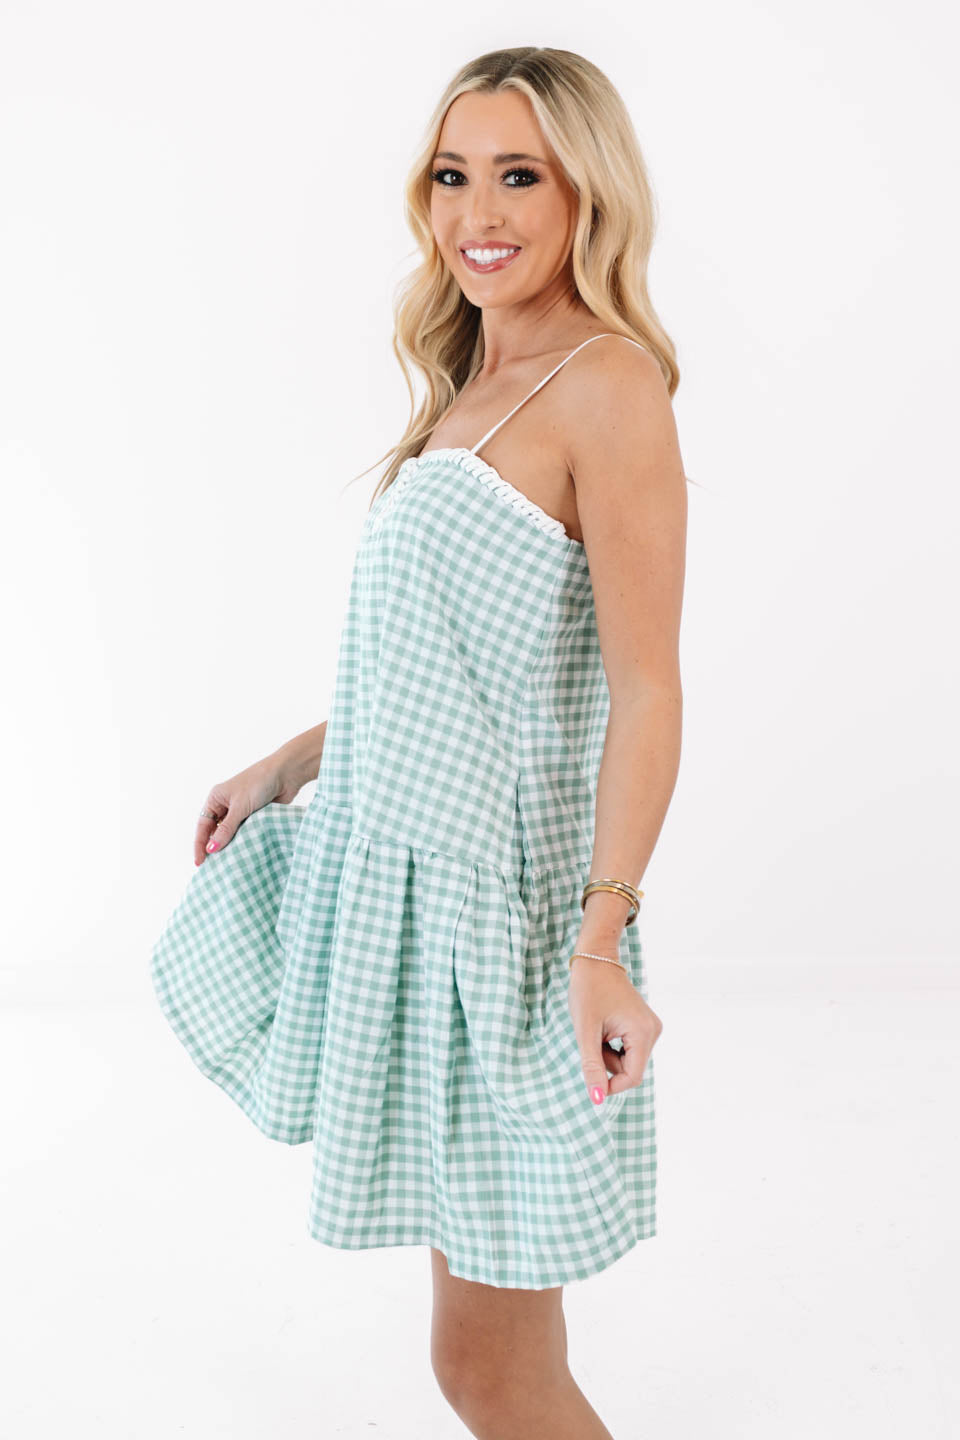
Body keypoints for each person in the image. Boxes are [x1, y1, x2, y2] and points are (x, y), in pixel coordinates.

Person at [152, 45, 688, 1440]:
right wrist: (291, 761)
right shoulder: (468, 388)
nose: (477, 213)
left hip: (503, 933)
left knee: (490, 1370)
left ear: (588, 193)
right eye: (453, 175)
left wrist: (598, 941)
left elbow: (647, 689)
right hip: (403, 900)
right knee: (485, 1363)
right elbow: (455, 671)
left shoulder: (607, 384)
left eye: (520, 176)